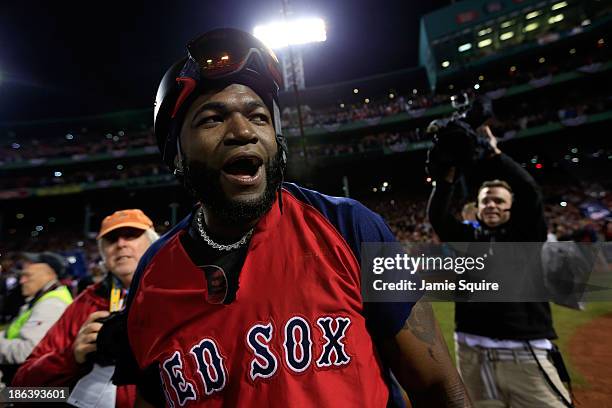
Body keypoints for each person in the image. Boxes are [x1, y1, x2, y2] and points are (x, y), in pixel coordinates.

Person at [103, 28, 470, 407]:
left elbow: (438, 386)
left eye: (259, 116)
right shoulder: (152, 277)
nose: (243, 131)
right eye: (212, 119)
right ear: (176, 155)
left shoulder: (349, 226)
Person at [427, 126, 572, 407]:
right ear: (477, 208)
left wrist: (495, 154)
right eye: (485, 201)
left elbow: (530, 192)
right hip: (472, 352)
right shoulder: (468, 238)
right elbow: (438, 216)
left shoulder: (527, 236)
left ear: (510, 207)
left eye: (499, 200)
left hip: (524, 353)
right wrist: (445, 180)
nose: (491, 205)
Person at [13, 209, 159, 408]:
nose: (121, 244)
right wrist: (71, 357)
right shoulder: (86, 302)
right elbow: (22, 390)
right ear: (103, 254)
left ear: (153, 243)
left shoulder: (178, 293)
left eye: (131, 235)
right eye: (111, 239)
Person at [0, 252, 72, 384]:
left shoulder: (52, 304)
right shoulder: (44, 298)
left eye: (27, 275)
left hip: (36, 390)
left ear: (49, 275)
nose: (22, 281)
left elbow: (27, 351)